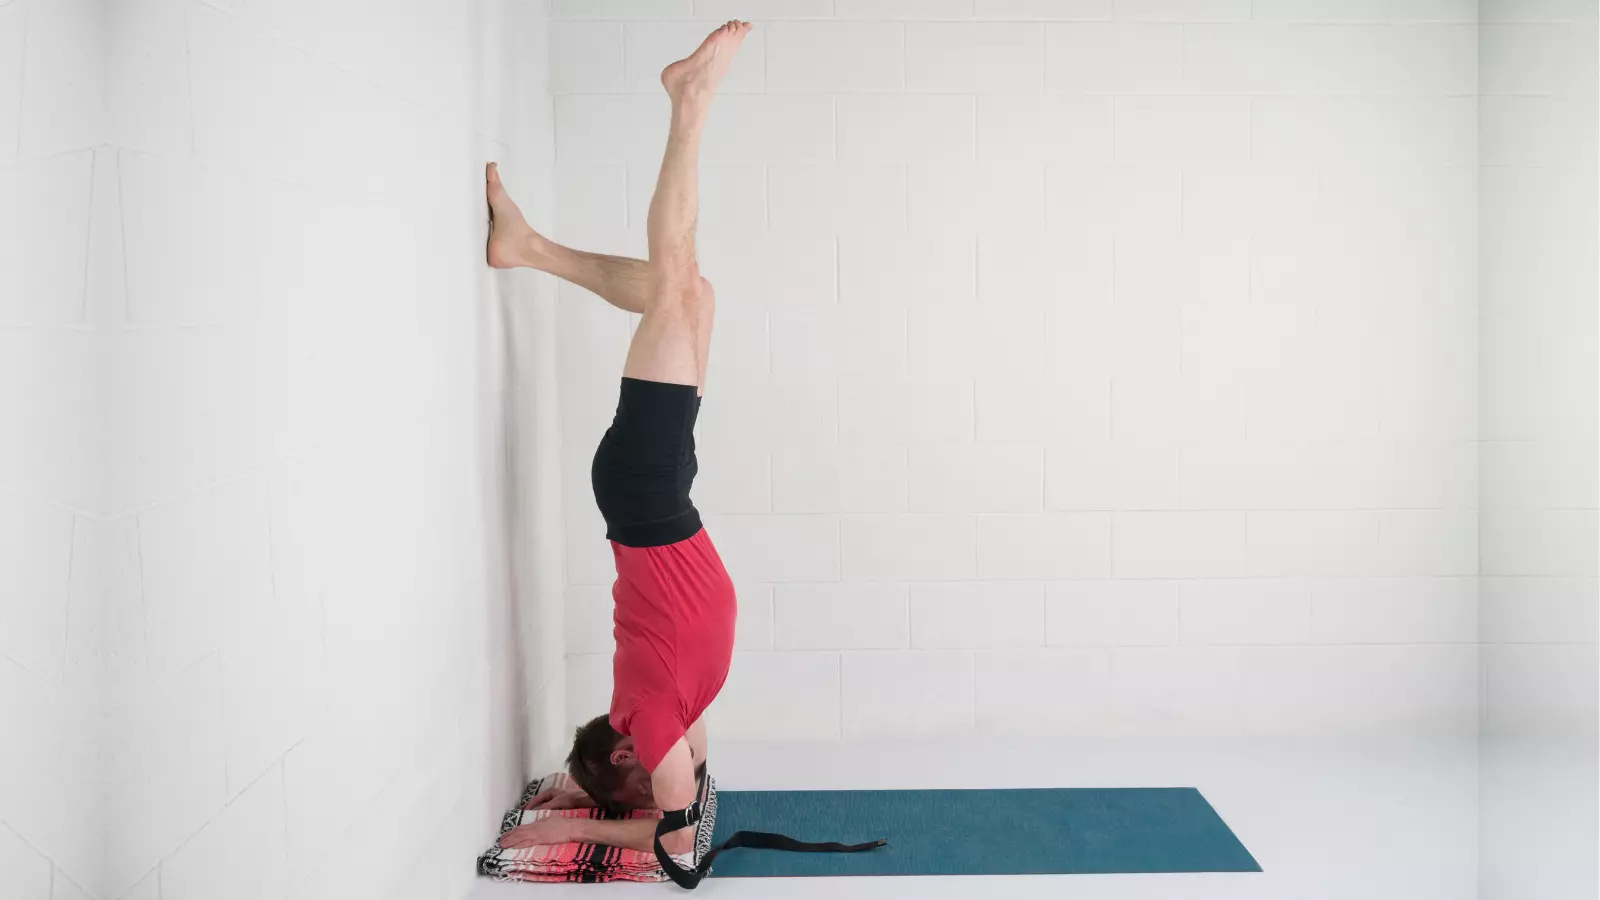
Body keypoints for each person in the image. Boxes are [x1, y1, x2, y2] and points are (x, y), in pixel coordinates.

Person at [486, 21, 753, 859]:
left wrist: (580, 817)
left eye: (636, 784)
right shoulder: (670, 721)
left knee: (675, 279)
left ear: (628, 754)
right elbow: (691, 804)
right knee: (691, 295)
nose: (659, 791)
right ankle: (525, 248)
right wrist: (597, 798)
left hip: (646, 494)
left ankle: (688, 105)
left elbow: (677, 850)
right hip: (663, 491)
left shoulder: (646, 713)